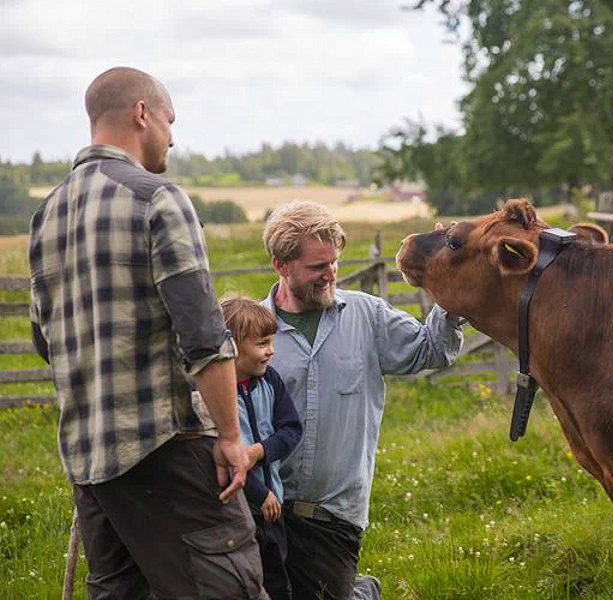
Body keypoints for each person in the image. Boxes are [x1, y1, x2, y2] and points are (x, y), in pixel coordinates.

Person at [28, 66, 268, 600]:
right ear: (142, 114)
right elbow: (205, 337)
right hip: (168, 448)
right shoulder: (158, 197)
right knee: (228, 589)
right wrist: (231, 437)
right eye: (169, 120)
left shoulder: (45, 216)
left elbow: (46, 342)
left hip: (92, 466)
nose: (173, 136)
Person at [260, 201, 464, 600]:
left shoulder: (366, 316)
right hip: (264, 506)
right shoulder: (253, 331)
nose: (329, 274)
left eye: (334, 262)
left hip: (334, 514)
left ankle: (360, 593)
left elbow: (431, 350)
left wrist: (450, 283)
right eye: (317, 267)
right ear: (281, 265)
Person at [222, 296, 303, 600]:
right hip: (239, 512)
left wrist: (258, 451)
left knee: (277, 580)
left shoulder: (269, 380)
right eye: (262, 343)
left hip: (272, 510)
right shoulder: (217, 394)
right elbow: (216, 456)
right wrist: (259, 493)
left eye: (271, 341)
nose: (271, 350)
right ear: (232, 347)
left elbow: (291, 429)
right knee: (244, 584)